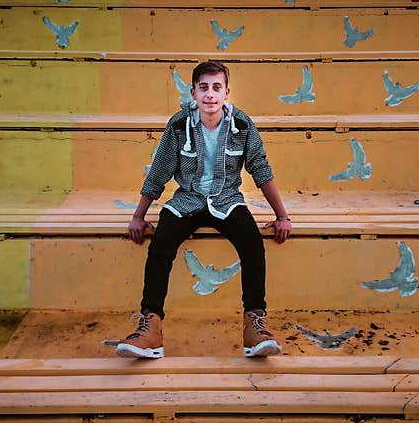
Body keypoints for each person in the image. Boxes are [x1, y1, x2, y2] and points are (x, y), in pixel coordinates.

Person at [115, 60, 292, 359]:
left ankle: (254, 325)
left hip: (226, 199)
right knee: (161, 245)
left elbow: (260, 168)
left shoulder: (243, 125)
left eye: (216, 88)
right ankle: (151, 328)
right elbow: (160, 170)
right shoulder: (178, 124)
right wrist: (138, 215)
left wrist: (282, 215)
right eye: (204, 88)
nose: (210, 94)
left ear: (227, 92)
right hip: (188, 199)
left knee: (251, 243)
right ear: (193, 92)